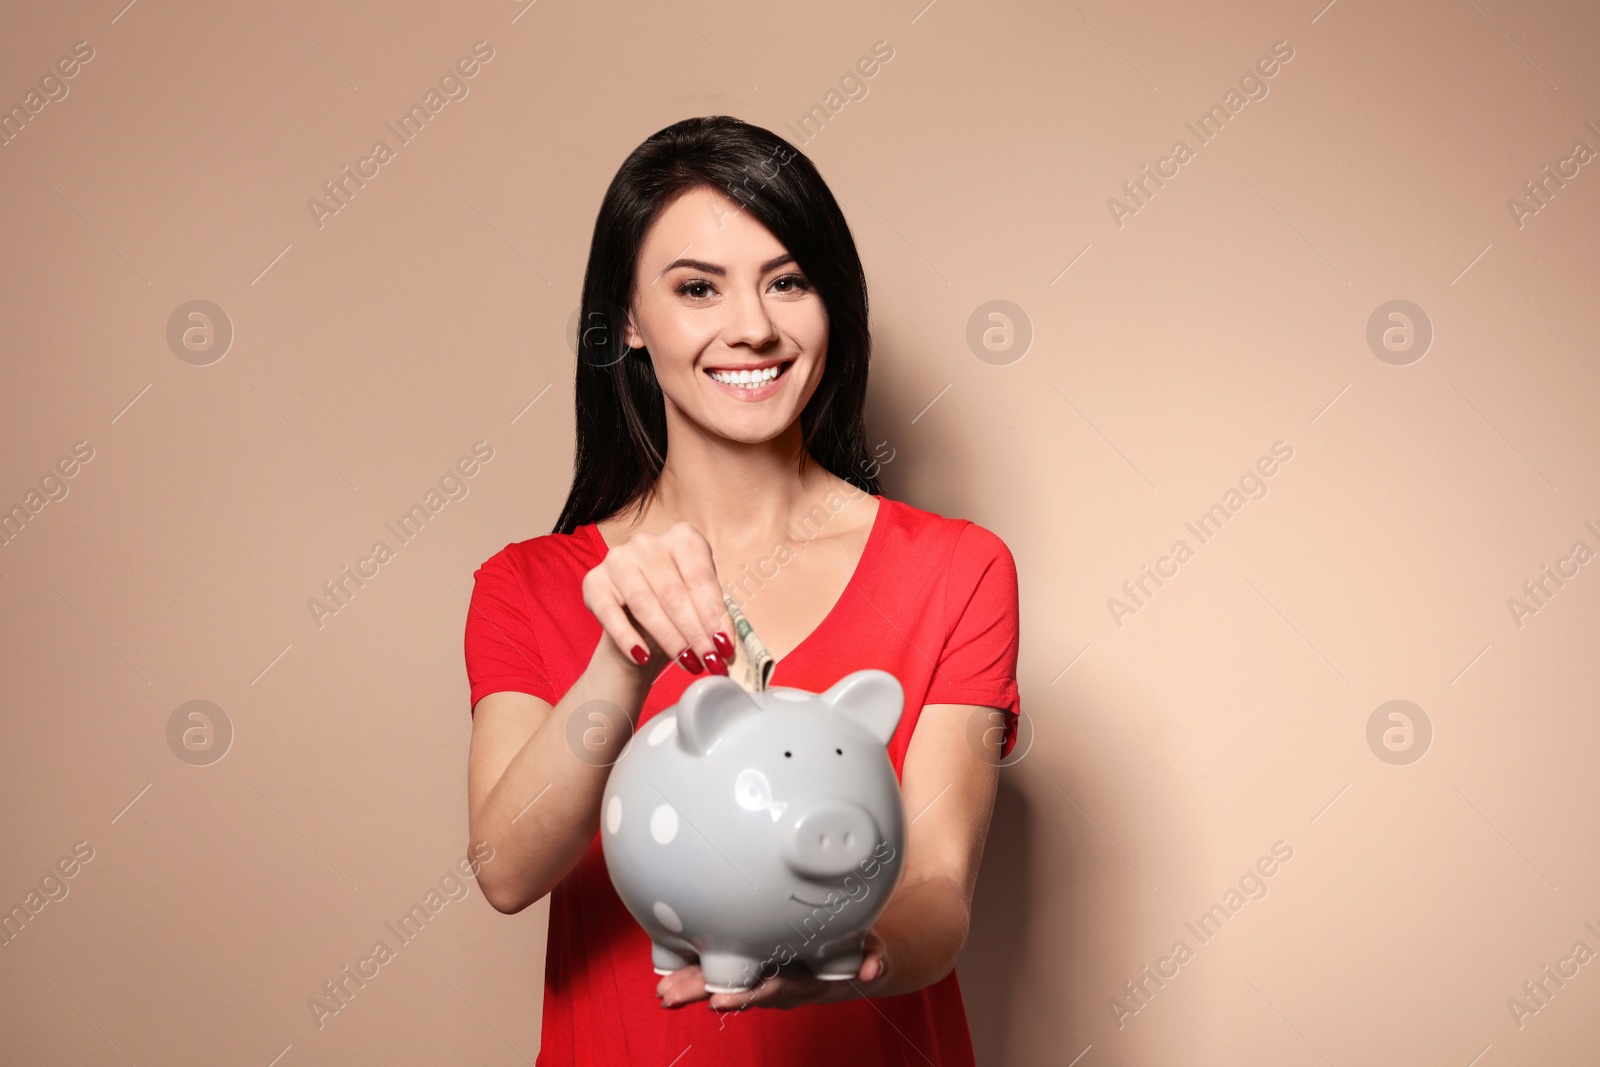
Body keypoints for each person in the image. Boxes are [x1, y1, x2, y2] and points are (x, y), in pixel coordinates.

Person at [463, 115, 1021, 1065]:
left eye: (787, 280)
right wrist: (622, 656)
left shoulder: (957, 570)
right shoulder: (528, 585)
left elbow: (936, 887)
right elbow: (506, 870)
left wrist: (858, 955)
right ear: (630, 321)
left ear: (829, 303)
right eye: (696, 288)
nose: (753, 326)